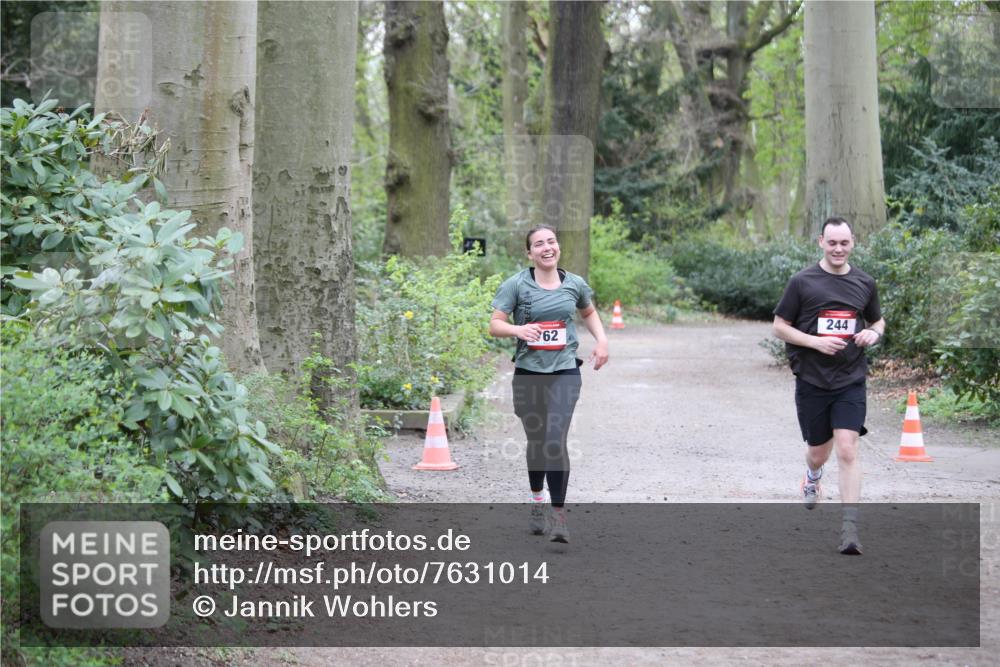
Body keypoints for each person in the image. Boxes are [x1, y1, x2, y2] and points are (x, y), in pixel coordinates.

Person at [489, 225, 609, 543]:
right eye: (539, 244)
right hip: (528, 374)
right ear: (530, 253)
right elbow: (495, 324)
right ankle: (537, 501)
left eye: (552, 241)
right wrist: (519, 331)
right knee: (538, 442)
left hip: (565, 371)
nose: (547, 247)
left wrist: (602, 341)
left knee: (555, 440)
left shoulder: (575, 284)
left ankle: (558, 516)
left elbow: (589, 312)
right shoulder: (516, 284)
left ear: (558, 248)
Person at [772, 216, 885, 555]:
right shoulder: (802, 282)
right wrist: (815, 342)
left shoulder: (865, 283)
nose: (838, 249)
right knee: (819, 452)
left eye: (844, 243)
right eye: (832, 242)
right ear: (820, 241)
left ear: (853, 243)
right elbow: (780, 326)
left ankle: (849, 529)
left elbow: (877, 319)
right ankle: (812, 473)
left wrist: (874, 333)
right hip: (812, 379)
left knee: (848, 447)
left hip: (851, 379)